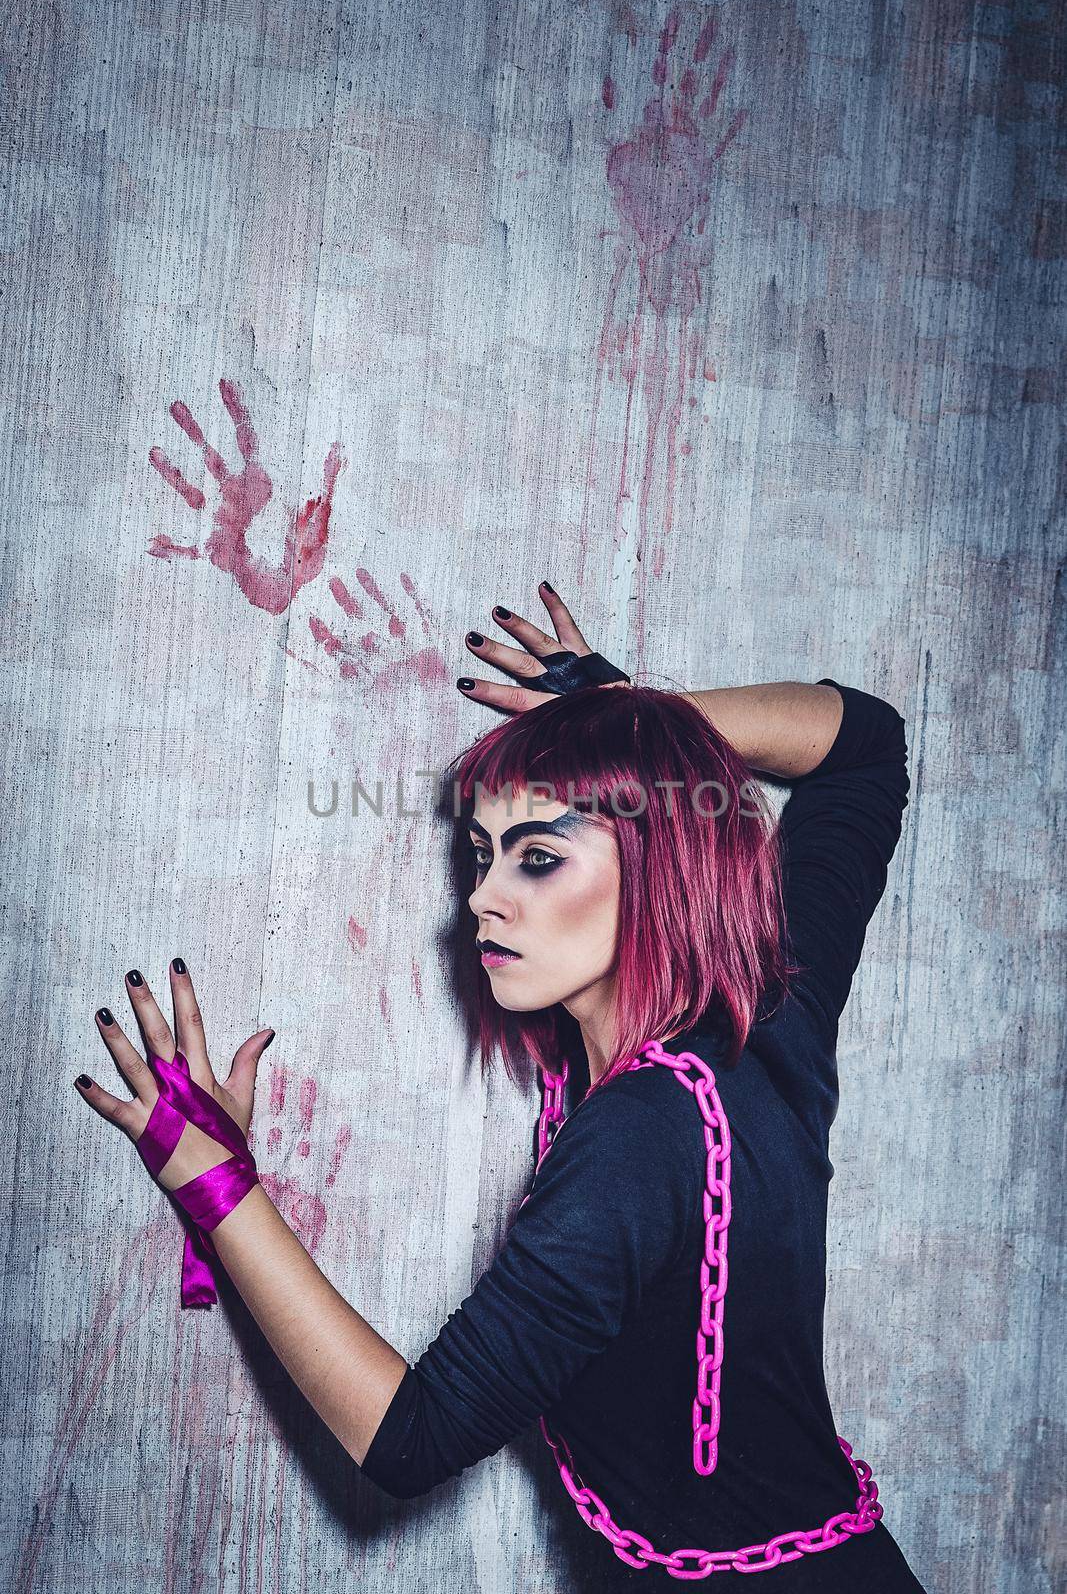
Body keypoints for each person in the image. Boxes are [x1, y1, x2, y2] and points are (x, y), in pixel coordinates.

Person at [75, 583, 927, 1591]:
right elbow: (867, 748)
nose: (481, 893)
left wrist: (214, 1182)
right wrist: (628, 732)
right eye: (482, 855)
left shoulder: (637, 1139)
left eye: (537, 857)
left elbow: (409, 1438)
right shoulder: (774, 1011)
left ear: (660, 855)